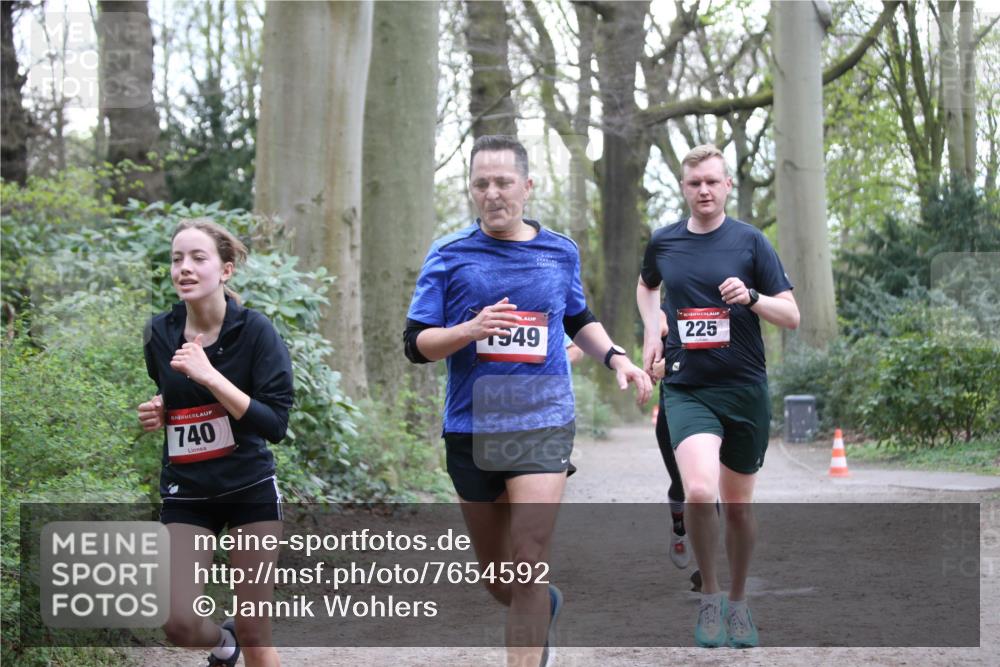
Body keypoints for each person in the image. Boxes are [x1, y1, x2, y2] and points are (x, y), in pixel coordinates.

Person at [404, 134, 652, 667]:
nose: (493, 193)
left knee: (527, 562)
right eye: (481, 183)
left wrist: (618, 358)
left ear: (527, 186)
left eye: (503, 182)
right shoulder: (449, 255)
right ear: (471, 190)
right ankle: (544, 608)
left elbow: (577, 318)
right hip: (471, 426)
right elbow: (416, 344)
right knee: (500, 579)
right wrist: (468, 330)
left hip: (542, 420)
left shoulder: (559, 251)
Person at [636, 144, 799, 649]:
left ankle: (739, 602)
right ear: (683, 189)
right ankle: (709, 595)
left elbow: (791, 315)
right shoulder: (664, 243)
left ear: (727, 186)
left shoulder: (751, 243)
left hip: (745, 388)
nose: (703, 190)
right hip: (687, 388)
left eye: (712, 181)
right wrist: (651, 328)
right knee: (700, 492)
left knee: (739, 506)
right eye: (694, 183)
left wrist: (751, 298)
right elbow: (646, 287)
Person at [137, 219, 294, 667]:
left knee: (255, 629)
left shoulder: (256, 332)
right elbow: (176, 395)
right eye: (176, 259)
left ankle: (241, 639)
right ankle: (224, 647)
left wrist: (209, 374)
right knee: (179, 624)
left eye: (197, 258)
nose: (184, 268)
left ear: (225, 271)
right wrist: (160, 407)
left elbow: (275, 422)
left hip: (249, 488)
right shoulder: (158, 333)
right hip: (188, 491)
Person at [648, 309, 691, 570]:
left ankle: (705, 568)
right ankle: (679, 529)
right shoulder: (664, 311)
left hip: (714, 403)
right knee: (681, 482)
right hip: (673, 409)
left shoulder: (723, 307)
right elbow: (653, 364)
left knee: (706, 487)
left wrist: (676, 360)